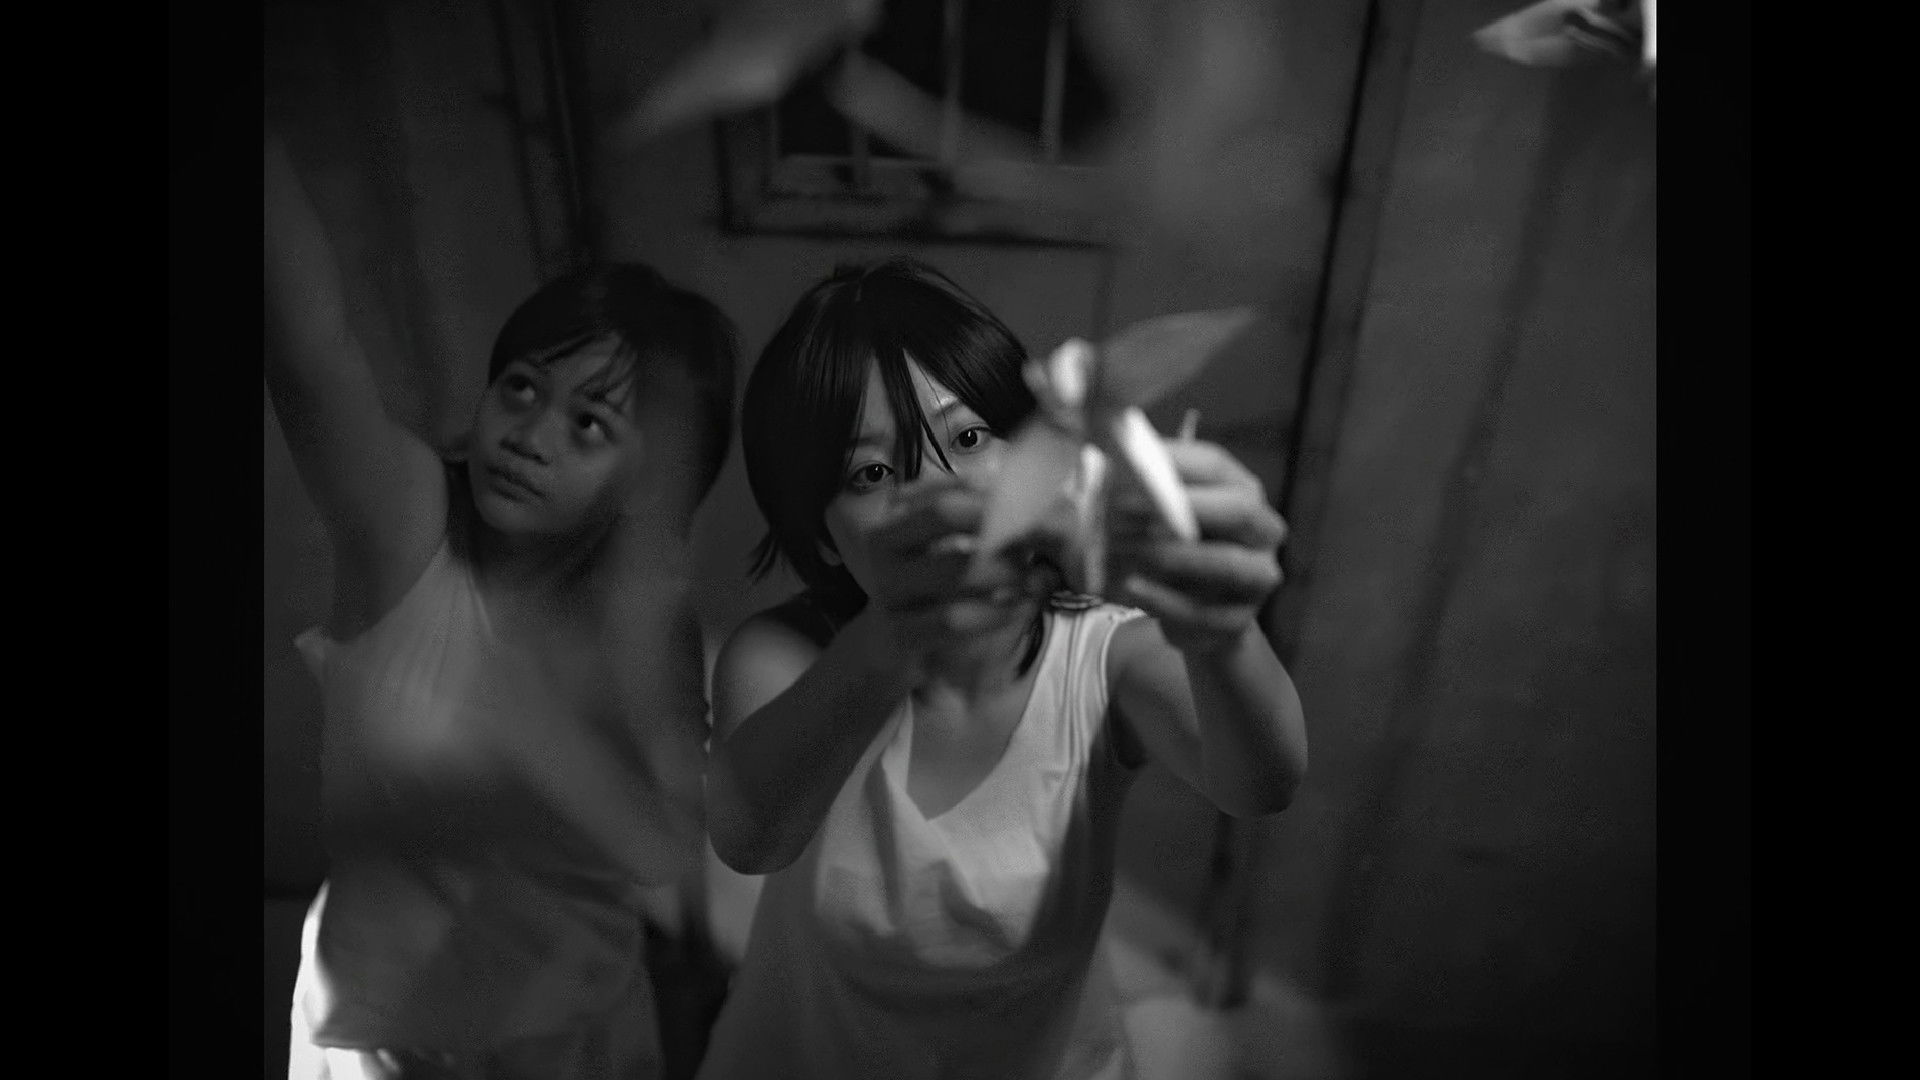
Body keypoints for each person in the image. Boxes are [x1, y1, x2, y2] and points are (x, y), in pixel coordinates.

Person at [697, 259, 1307, 1080]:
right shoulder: (782, 658)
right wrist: (894, 637)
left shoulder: (1105, 656)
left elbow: (1263, 783)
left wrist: (1224, 632)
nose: (942, 491)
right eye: (873, 472)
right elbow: (749, 840)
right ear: (819, 538)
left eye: (969, 438)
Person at [265, 128, 736, 1079]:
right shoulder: (409, 532)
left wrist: (693, 961)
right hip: (386, 1045)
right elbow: (310, 346)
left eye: (588, 423)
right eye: (520, 387)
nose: (530, 433)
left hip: (581, 1033)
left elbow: (668, 839)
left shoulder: (651, 615)